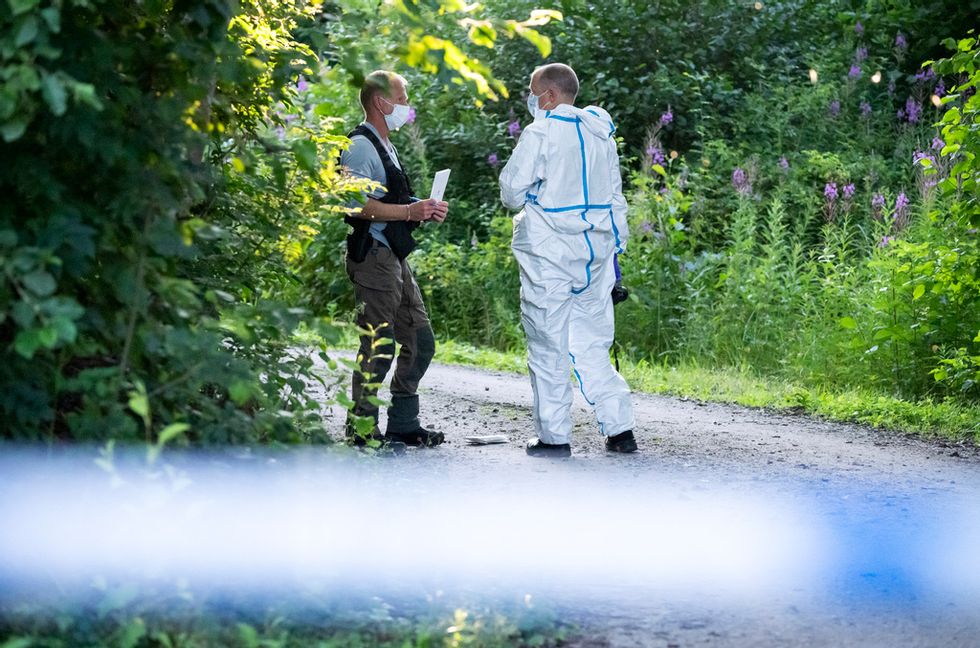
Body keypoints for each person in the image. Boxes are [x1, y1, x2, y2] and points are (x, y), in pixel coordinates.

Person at [499, 63, 637, 458]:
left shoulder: (540, 133)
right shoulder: (601, 137)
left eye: (532, 91)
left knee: (548, 344)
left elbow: (511, 192)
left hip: (550, 256)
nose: (530, 98)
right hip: (596, 257)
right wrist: (615, 254)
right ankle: (620, 429)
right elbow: (616, 200)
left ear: (549, 96)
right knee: (593, 343)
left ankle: (554, 437)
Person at [340, 70, 449, 449]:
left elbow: (391, 200)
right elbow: (354, 205)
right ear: (380, 103)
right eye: (402, 100)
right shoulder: (358, 146)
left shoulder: (386, 144)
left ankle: (404, 422)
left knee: (421, 340)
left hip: (395, 257)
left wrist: (424, 209)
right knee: (378, 344)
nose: (406, 107)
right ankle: (362, 429)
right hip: (373, 257)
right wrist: (408, 213)